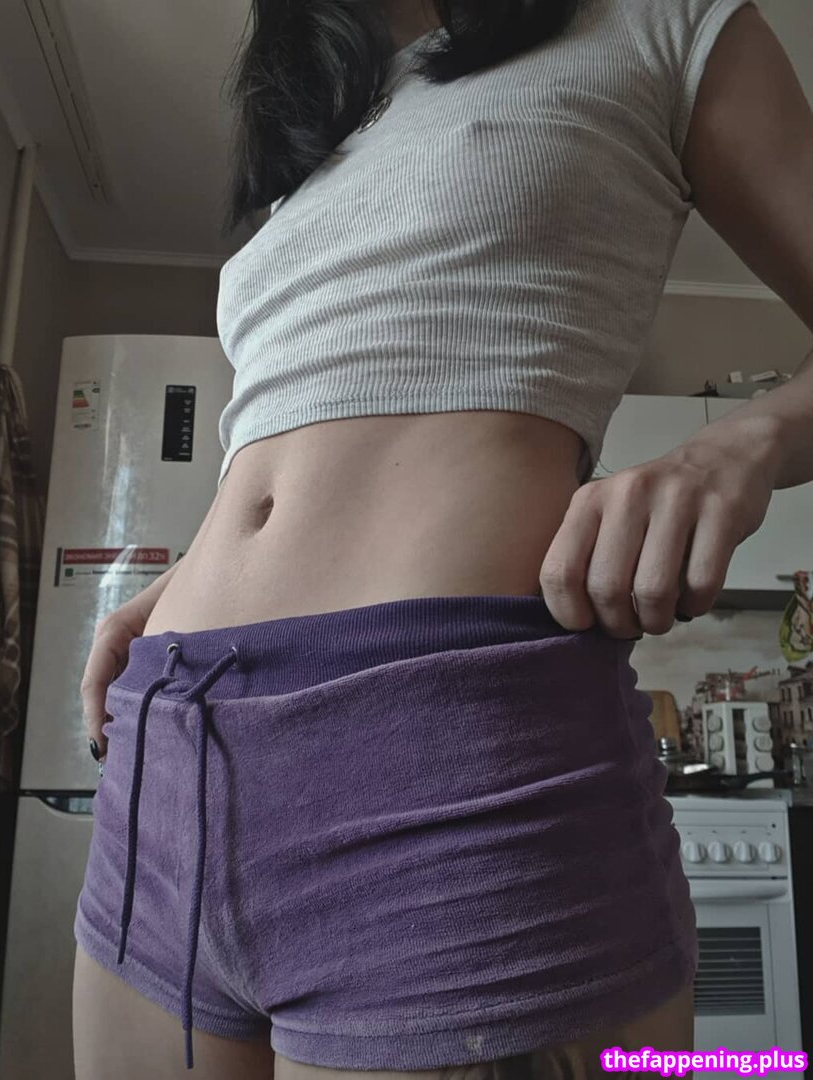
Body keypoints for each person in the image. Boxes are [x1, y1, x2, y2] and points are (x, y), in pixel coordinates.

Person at [71, 0, 812, 1076]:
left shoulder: (661, 22)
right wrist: (193, 578)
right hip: (171, 741)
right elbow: (309, 423)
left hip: (451, 750)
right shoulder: (328, 133)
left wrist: (739, 443)